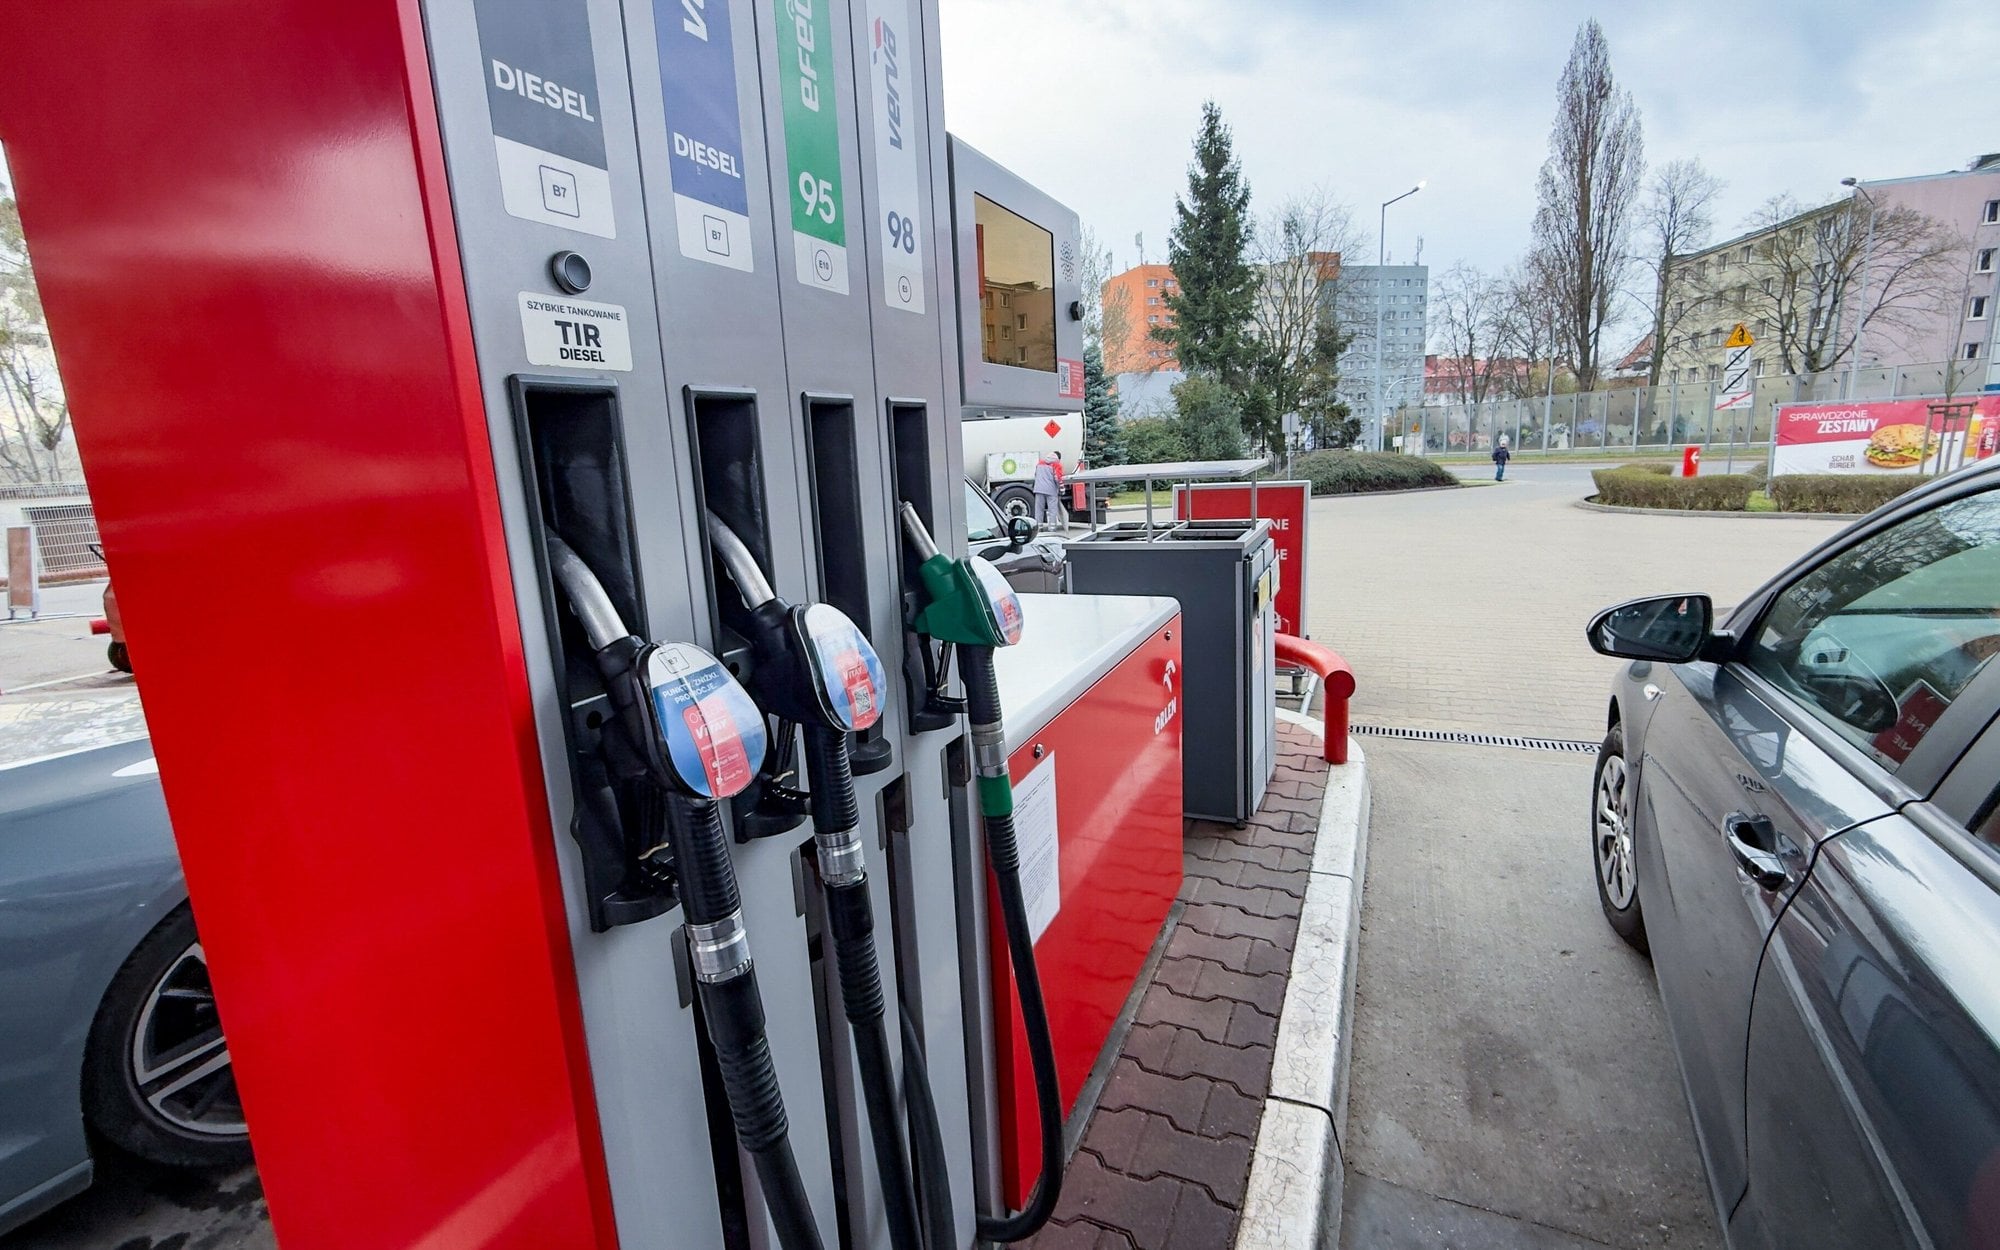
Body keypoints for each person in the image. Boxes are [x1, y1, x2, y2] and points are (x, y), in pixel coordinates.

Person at [1032, 453, 1064, 530]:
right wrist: (1062, 490)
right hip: (1051, 490)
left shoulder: (1039, 463)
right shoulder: (1057, 465)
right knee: (1052, 510)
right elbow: (1058, 478)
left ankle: (1038, 527)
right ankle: (1052, 528)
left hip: (1039, 489)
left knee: (1039, 509)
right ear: (1058, 459)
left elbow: (1036, 474)